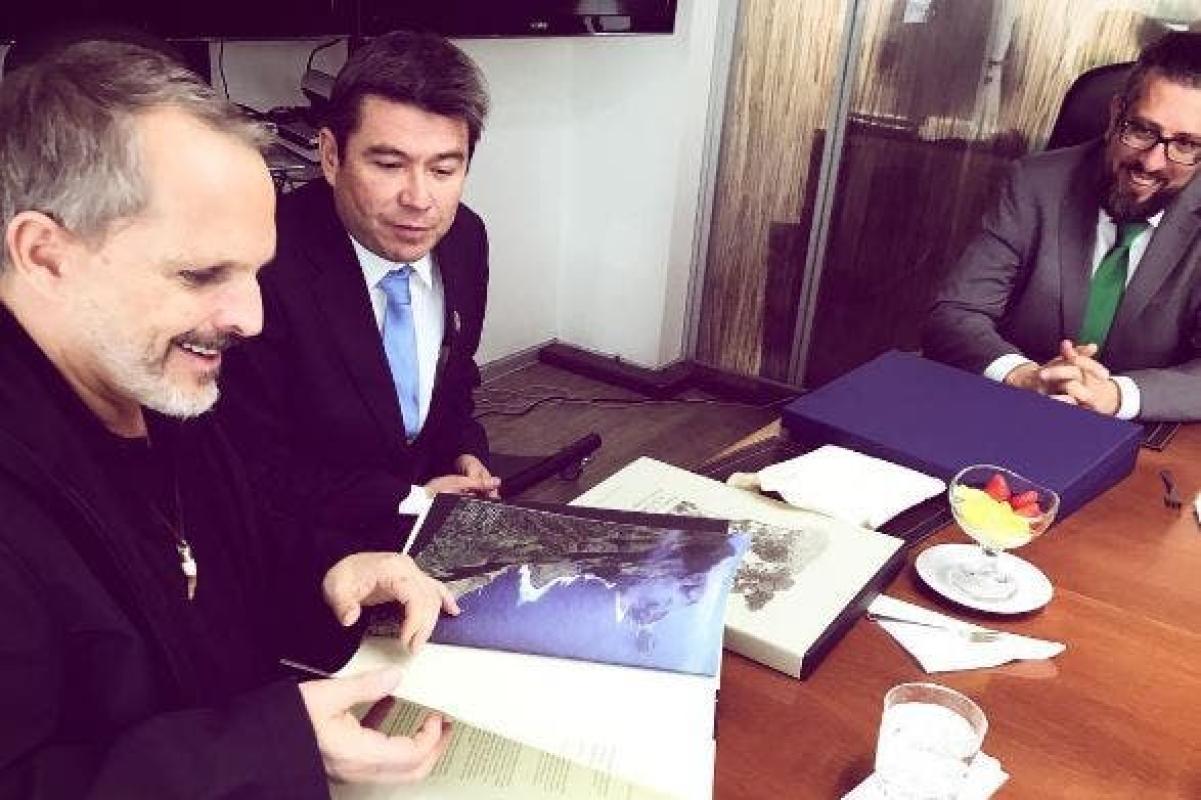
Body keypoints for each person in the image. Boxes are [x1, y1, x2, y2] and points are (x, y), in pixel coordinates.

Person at [0, 41, 461, 796]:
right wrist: (273, 746)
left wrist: (331, 572)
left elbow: (219, 564)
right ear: (45, 255)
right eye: (201, 273)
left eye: (255, 272)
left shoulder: (153, 387)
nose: (250, 318)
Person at [219, 31, 499, 543]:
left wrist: (466, 451)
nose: (419, 199)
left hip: (432, 517)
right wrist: (412, 501)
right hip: (305, 543)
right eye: (389, 165)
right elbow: (253, 465)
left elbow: (455, 383)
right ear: (331, 156)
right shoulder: (263, 264)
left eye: (443, 169)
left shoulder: (466, 238)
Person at [923, 32, 1201, 422]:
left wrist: (1116, 395)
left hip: (1145, 434)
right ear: (1115, 115)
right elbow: (954, 313)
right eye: (1141, 130)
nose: (1152, 162)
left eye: (1186, 144)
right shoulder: (1035, 184)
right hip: (1014, 410)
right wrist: (1023, 376)